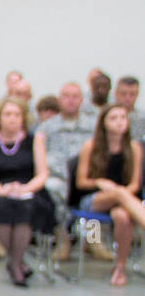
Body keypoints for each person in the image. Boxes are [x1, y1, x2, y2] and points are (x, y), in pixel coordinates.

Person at [0, 96, 55, 286]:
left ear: (23, 118)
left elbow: (42, 174)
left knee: (26, 210)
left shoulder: (34, 141)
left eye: (17, 114)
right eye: (8, 114)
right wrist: (0, 190)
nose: (12, 119)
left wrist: (25, 188)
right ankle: (17, 262)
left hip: (28, 190)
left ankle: (15, 263)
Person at [76, 103, 145, 286]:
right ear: (104, 123)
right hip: (95, 199)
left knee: (122, 216)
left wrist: (120, 193)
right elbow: (81, 182)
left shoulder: (135, 148)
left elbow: (135, 185)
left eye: (123, 117)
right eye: (114, 118)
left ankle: (120, 268)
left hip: (125, 201)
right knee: (120, 194)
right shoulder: (90, 146)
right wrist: (99, 182)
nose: (120, 122)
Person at [40, 82, 100, 260]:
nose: (71, 101)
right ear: (59, 100)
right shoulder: (48, 127)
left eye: (75, 96)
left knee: (96, 192)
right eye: (66, 96)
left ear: (82, 100)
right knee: (52, 188)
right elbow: (41, 156)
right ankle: (63, 238)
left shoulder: (93, 126)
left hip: (86, 177)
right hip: (58, 177)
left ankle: (93, 240)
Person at [112, 75, 143, 140]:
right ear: (116, 93)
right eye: (124, 93)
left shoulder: (142, 118)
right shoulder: (106, 116)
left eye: (132, 94)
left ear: (137, 94)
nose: (127, 98)